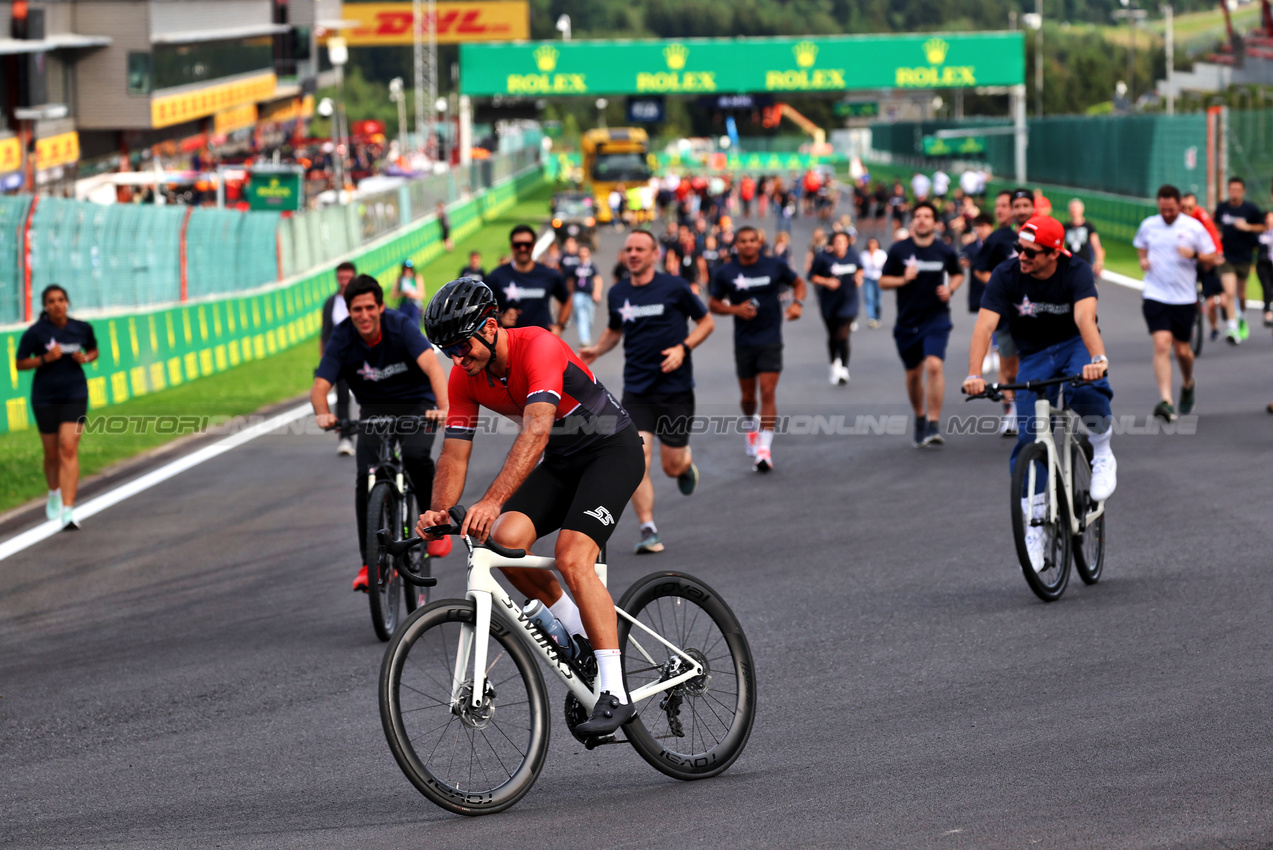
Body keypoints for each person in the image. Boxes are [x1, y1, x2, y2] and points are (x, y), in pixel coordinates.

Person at [419, 278, 646, 736]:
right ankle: (575, 629)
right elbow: (454, 451)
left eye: (462, 346)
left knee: (572, 555)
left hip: (611, 451)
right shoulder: (464, 375)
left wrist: (492, 499)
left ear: (488, 326)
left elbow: (537, 431)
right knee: (503, 541)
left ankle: (615, 691)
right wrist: (439, 510)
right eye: (448, 351)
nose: (458, 359)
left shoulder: (537, 346)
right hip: (564, 461)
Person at [963, 215, 1116, 569]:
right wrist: (974, 373)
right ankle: (1035, 528)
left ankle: (1103, 450)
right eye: (1019, 248)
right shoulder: (1007, 273)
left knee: (1084, 391)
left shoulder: (1075, 271)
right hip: (1033, 354)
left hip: (1073, 344)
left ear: (1054, 253)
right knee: (1028, 437)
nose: (1022, 256)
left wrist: (1097, 358)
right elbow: (984, 326)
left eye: (1030, 252)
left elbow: (1084, 319)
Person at [311, 275, 450, 593]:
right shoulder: (343, 337)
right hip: (374, 410)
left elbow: (432, 366)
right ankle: (369, 564)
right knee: (365, 478)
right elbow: (320, 386)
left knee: (416, 457)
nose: (363, 315)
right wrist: (323, 412)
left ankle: (435, 526)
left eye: (369, 307)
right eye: (356, 309)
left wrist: (442, 408)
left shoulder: (399, 326)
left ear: (380, 306)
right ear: (349, 311)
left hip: (417, 403)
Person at [580, 230, 715, 554]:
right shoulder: (619, 293)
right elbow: (615, 329)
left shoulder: (675, 287)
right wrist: (597, 349)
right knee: (637, 458)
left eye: (640, 248)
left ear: (654, 253)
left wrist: (683, 348)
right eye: (629, 249)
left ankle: (684, 465)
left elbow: (706, 322)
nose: (633, 254)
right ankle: (648, 528)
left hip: (676, 390)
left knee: (671, 464)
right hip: (637, 390)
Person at [708, 225, 806, 472]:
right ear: (736, 245)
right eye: (743, 241)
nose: (749, 244)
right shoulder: (726, 271)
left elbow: (799, 283)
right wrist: (735, 309)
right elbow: (713, 304)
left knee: (768, 391)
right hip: (744, 341)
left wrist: (798, 304)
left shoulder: (774, 265)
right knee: (749, 398)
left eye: (753, 240)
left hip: (771, 338)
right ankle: (751, 424)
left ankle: (764, 450)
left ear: (759, 242)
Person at [879, 202, 965, 448]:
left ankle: (934, 423)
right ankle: (919, 416)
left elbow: (958, 273)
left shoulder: (944, 250)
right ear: (912, 221)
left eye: (927, 216)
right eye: (918, 216)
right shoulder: (899, 250)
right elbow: (883, 282)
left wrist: (950, 288)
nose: (922, 220)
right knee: (914, 374)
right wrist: (903, 279)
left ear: (935, 222)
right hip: (907, 321)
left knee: (934, 365)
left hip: (936, 318)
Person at [1135, 185, 1221, 420]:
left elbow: (1213, 257)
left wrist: (1194, 255)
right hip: (1155, 294)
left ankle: (1187, 382)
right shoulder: (1149, 225)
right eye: (1163, 209)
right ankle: (1166, 400)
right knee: (1162, 344)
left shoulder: (1193, 227)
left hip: (1183, 298)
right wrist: (1143, 260)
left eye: (1171, 209)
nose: (1167, 214)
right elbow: (1141, 247)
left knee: (1183, 351)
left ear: (1179, 205)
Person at [15, 285, 98, 529]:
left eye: (61, 299)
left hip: (75, 393)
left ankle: (68, 510)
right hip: (45, 396)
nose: (57, 304)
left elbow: (93, 350)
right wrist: (44, 359)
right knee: (51, 454)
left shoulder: (81, 328)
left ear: (68, 302)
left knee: (68, 447)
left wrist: (87, 358)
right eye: (51, 301)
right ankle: (53, 493)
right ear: (45, 306)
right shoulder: (36, 333)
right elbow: (20, 363)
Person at [975, 189, 1033, 436]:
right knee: (1009, 367)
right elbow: (980, 269)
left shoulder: (1040, 233)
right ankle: (1011, 410)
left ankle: (1029, 411)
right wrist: (1001, 288)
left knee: (1034, 363)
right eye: (1014, 206)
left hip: (1036, 311)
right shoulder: (998, 238)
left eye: (1023, 205)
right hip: (1007, 312)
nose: (1018, 210)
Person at [488, 224, 572, 333]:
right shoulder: (496, 276)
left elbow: (567, 300)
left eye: (527, 244)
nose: (523, 248)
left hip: (541, 341)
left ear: (533, 246)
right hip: (509, 343)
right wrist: (499, 321)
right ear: (512, 247)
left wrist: (559, 326)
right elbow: (481, 311)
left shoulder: (549, 274)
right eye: (518, 245)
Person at [1214, 176, 1265, 343]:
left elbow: (1263, 226)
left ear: (1243, 191)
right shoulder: (1222, 208)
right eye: (1231, 190)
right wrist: (1217, 235)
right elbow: (1215, 226)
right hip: (1226, 256)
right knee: (1229, 292)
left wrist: (1248, 227)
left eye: (1237, 190)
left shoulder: (1250, 209)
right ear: (1228, 190)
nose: (1234, 193)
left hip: (1244, 256)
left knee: (1241, 294)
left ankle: (1242, 316)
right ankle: (1232, 327)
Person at [809, 230, 864, 386]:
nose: (840, 245)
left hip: (849, 302)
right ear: (832, 244)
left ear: (848, 243)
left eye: (843, 242)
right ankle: (834, 362)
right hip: (829, 303)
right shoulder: (823, 258)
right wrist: (826, 282)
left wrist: (859, 276)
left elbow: (860, 268)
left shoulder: (852, 255)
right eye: (837, 242)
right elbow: (811, 276)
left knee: (843, 335)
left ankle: (844, 368)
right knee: (833, 335)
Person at [320, 261, 358, 455]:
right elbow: (324, 334)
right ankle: (345, 437)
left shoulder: (361, 301)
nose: (344, 282)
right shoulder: (331, 303)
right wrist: (325, 365)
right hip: (341, 360)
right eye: (341, 278)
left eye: (347, 278)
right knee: (342, 398)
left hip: (363, 358)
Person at [1182, 193, 1226, 341]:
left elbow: (1213, 233)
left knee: (1213, 300)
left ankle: (1215, 324)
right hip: (1187, 264)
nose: (1186, 211)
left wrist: (1217, 252)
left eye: (1190, 207)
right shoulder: (1176, 219)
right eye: (1184, 208)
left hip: (1204, 259)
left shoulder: (1201, 215)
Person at [570, 244, 604, 346]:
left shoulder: (592, 266)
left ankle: (586, 334)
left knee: (589, 317)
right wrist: (571, 294)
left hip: (589, 295)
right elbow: (570, 281)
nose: (583, 256)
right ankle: (584, 338)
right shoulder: (575, 267)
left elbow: (597, 279)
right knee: (581, 315)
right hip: (578, 294)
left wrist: (597, 292)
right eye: (581, 254)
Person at [1064, 199, 1105, 277]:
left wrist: (1099, 262)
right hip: (1070, 264)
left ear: (1082, 210)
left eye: (1076, 208)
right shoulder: (1066, 227)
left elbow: (1097, 246)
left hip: (1085, 264)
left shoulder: (1088, 226)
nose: (1074, 210)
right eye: (1072, 208)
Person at [860, 236, 887, 329]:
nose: (872, 245)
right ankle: (871, 318)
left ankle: (877, 317)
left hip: (878, 278)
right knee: (869, 297)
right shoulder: (864, 254)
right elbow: (862, 266)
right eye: (870, 243)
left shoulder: (881, 254)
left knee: (878, 299)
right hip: (868, 278)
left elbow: (881, 265)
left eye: (874, 243)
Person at [390, 259, 423, 328]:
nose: (407, 271)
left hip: (414, 305)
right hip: (403, 305)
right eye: (405, 269)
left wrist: (412, 294)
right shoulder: (399, 279)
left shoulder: (416, 278)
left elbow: (422, 294)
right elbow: (393, 295)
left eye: (409, 269)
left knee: (414, 326)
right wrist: (402, 293)